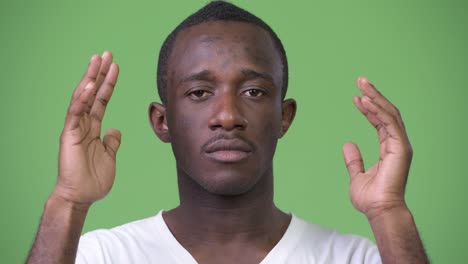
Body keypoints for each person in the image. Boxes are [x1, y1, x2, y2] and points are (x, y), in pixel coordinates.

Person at [27, 1, 429, 263]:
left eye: (253, 91)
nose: (227, 116)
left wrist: (388, 212)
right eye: (200, 92)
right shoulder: (101, 255)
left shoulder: (355, 258)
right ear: (161, 121)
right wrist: (67, 202)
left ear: (283, 117)